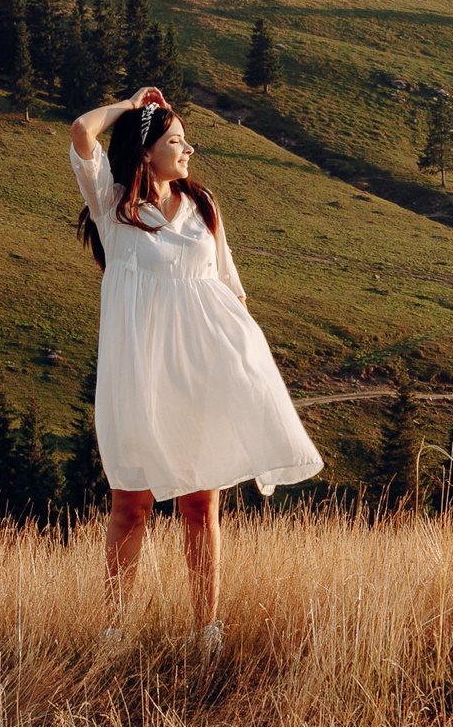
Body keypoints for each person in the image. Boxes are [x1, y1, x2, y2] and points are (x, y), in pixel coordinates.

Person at [70, 86, 322, 653]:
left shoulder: (204, 206)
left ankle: (205, 630)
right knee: (130, 505)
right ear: (146, 150)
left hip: (201, 374)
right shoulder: (113, 207)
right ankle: (114, 632)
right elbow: (84, 132)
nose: (187, 151)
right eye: (176, 141)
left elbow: (231, 289)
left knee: (200, 504)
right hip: (138, 375)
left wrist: (248, 370)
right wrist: (131, 108)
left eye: (186, 141)